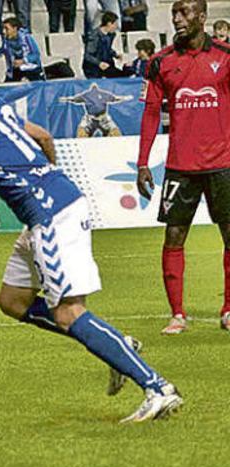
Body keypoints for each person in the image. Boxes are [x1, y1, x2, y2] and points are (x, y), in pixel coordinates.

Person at [0, 32, 182, 423]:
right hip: (52, 203)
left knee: (68, 313)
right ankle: (116, 343)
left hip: (50, 215)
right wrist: (47, 176)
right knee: (13, 301)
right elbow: (40, 134)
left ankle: (158, 387)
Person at [136, 0, 230, 333]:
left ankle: (229, 309)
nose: (177, 19)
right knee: (174, 236)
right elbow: (150, 113)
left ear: (202, 18)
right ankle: (177, 314)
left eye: (185, 12)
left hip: (223, 163)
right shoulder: (161, 62)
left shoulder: (225, 56)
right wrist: (143, 161)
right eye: (175, 13)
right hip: (180, 165)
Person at [58, 83, 131, 136]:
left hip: (104, 118)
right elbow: (74, 99)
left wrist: (124, 98)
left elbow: (115, 98)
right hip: (89, 118)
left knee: (115, 132)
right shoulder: (86, 95)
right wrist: (66, 99)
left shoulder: (104, 94)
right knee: (81, 132)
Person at [84, 11, 128, 77]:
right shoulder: (95, 36)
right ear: (109, 24)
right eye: (115, 24)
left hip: (106, 64)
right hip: (94, 68)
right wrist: (99, 63)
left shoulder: (110, 35)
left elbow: (107, 49)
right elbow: (88, 56)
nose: (116, 27)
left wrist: (115, 55)